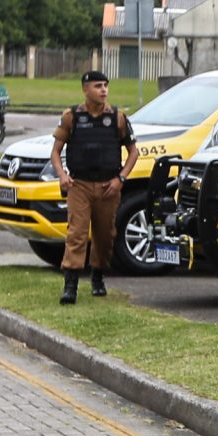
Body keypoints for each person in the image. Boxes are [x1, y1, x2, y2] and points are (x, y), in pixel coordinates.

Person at [50, 71, 139, 305]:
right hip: (79, 185)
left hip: (108, 186)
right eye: (98, 86)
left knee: (104, 235)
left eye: (106, 86)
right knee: (76, 233)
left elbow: (134, 152)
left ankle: (98, 275)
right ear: (85, 89)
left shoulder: (117, 117)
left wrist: (121, 178)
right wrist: (62, 175)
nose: (104, 90)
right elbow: (55, 152)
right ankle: (71, 285)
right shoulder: (72, 116)